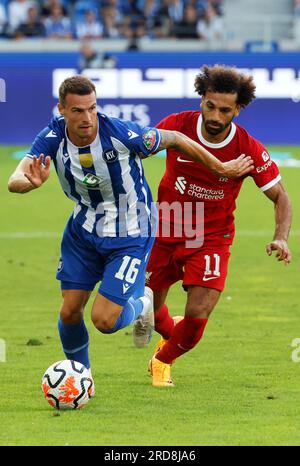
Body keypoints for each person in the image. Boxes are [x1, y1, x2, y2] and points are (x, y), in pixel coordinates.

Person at [7, 75, 253, 392]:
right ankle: (82, 381)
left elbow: (176, 139)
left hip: (130, 231)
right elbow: (16, 177)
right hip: (83, 232)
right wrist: (30, 183)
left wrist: (220, 168)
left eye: (92, 108)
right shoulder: (53, 135)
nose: (87, 118)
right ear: (62, 110)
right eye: (78, 111)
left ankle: (144, 305)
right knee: (69, 312)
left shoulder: (123, 134)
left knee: (104, 321)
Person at [132, 64, 292, 388]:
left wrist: (281, 238)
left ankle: (162, 360)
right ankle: (164, 327)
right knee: (147, 309)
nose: (216, 117)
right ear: (202, 98)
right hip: (166, 229)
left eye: (225, 110)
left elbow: (281, 196)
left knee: (199, 312)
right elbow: (135, 151)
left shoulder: (248, 148)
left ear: (238, 109)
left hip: (211, 238)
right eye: (210, 106)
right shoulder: (176, 126)